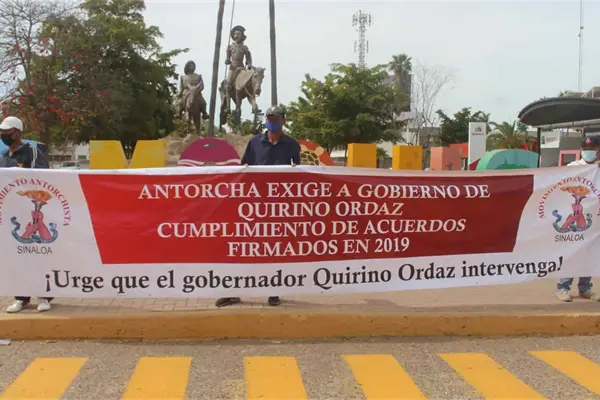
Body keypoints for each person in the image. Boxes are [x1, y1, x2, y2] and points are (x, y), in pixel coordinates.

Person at [216, 106, 300, 308]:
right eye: (269, 118)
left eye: (275, 118)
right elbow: (244, 169)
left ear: (283, 120)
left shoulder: (292, 144)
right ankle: (234, 291)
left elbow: (298, 173)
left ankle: (273, 290)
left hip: (278, 208)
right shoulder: (254, 142)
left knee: (274, 250)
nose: (272, 122)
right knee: (243, 248)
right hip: (252, 207)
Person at [0, 116, 53, 313]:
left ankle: (44, 296)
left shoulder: (32, 152)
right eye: (2, 132)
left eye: (8, 131)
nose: (4, 135)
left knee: (38, 254)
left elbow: (43, 178)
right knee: (18, 255)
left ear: (18, 132)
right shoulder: (4, 155)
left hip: (34, 210)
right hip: (12, 213)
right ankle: (21, 298)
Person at [555, 135, 600, 302]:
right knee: (572, 251)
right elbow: (560, 186)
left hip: (594, 217)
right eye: (585, 149)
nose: (588, 151)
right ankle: (562, 287)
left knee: (590, 253)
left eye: (592, 149)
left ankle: (585, 288)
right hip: (575, 213)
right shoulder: (573, 167)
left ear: (598, 150)